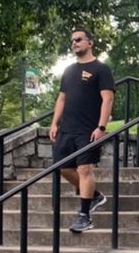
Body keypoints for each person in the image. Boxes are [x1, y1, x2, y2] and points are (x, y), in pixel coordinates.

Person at [49, 28, 115, 232]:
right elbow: (62, 98)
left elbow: (108, 98)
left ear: (90, 42)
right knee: (63, 167)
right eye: (72, 41)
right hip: (67, 129)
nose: (74, 43)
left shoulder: (101, 69)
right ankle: (94, 194)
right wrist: (54, 123)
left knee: (85, 169)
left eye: (78, 40)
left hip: (88, 129)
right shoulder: (69, 71)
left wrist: (101, 127)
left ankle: (85, 215)